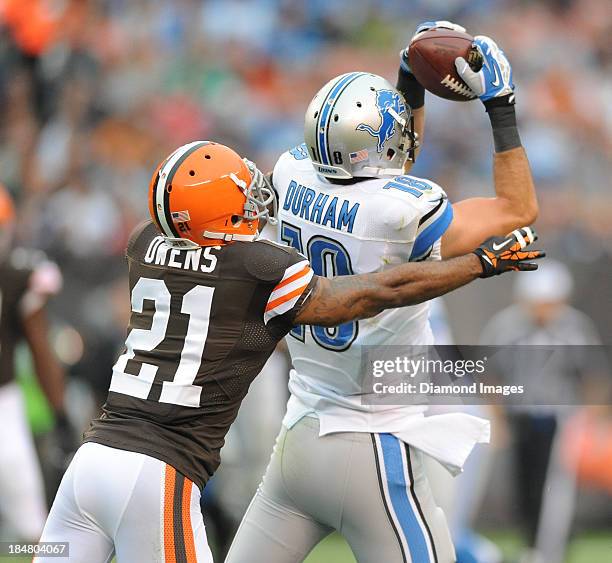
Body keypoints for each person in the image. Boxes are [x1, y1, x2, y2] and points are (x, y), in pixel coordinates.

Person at [35, 140, 541, 562]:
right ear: (218, 214)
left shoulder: (143, 244)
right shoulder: (260, 267)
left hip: (92, 459)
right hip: (156, 474)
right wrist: (480, 262)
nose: (255, 198)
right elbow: (371, 294)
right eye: (241, 191)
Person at [227, 21, 539, 563]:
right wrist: (501, 106)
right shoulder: (402, 212)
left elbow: (385, 168)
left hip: (300, 433)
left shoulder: (290, 174)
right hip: (373, 444)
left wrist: (409, 83)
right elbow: (517, 210)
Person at [480, 259, 603, 563]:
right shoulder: (507, 327)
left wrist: (588, 419)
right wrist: (496, 418)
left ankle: (551, 550)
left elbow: (594, 375)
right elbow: (489, 375)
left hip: (561, 419)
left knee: (556, 491)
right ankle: (532, 546)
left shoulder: (574, 328)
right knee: (524, 485)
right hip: (519, 416)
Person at [0, 183, 67, 541]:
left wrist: (59, 411)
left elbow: (40, 346)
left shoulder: (17, 275)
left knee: (31, 529)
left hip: (4, 402)